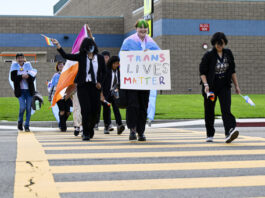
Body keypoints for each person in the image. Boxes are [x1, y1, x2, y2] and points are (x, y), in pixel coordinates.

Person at [51, 37, 106, 141]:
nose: (90, 48)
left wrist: (100, 83)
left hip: (95, 86)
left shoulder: (100, 58)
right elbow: (66, 55)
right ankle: (85, 133)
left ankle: (90, 129)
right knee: (85, 110)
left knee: (95, 111)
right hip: (83, 86)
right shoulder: (81, 56)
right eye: (88, 46)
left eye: (92, 46)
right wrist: (58, 45)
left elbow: (104, 72)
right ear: (84, 48)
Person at [120, 19, 161, 141]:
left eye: (145, 29)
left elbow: (159, 56)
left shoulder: (151, 42)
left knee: (143, 105)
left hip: (145, 80)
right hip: (132, 80)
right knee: (133, 105)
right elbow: (121, 57)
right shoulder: (128, 41)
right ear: (136, 28)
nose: (143, 31)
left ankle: (141, 131)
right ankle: (132, 129)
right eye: (140, 29)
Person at [199, 32, 240, 143]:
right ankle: (210, 134)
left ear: (224, 43)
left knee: (226, 108)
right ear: (214, 43)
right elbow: (202, 72)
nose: (219, 46)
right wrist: (206, 85)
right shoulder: (209, 55)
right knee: (209, 110)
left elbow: (232, 71)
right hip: (211, 87)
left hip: (224, 86)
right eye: (217, 44)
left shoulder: (228, 54)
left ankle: (229, 131)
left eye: (221, 44)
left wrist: (236, 86)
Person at [10, 53, 36, 132]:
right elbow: (13, 78)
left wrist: (28, 77)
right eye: (18, 58)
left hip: (29, 91)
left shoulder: (28, 65)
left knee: (28, 108)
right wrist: (21, 76)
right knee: (22, 107)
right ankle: (20, 122)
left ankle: (27, 125)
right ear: (16, 59)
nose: (20, 59)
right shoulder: (14, 66)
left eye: (22, 57)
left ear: (24, 58)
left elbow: (33, 77)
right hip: (20, 91)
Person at [101, 56, 125, 135]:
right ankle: (106, 126)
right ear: (111, 63)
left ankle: (119, 125)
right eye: (115, 64)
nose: (116, 65)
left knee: (116, 108)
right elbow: (102, 83)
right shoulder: (106, 71)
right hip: (106, 92)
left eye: (117, 64)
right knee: (106, 108)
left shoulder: (119, 71)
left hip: (115, 92)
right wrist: (101, 94)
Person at [48, 61, 72, 132]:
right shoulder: (56, 75)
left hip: (67, 95)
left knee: (67, 112)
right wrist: (50, 97)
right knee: (62, 111)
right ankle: (63, 127)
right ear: (57, 67)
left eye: (62, 64)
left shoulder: (68, 74)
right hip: (58, 95)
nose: (60, 66)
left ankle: (61, 123)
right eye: (59, 65)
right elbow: (52, 86)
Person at [94, 50, 114, 132]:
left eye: (107, 57)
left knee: (107, 108)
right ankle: (95, 123)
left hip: (107, 92)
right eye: (104, 57)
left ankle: (107, 125)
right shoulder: (97, 68)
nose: (106, 59)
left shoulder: (111, 68)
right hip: (98, 91)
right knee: (97, 108)